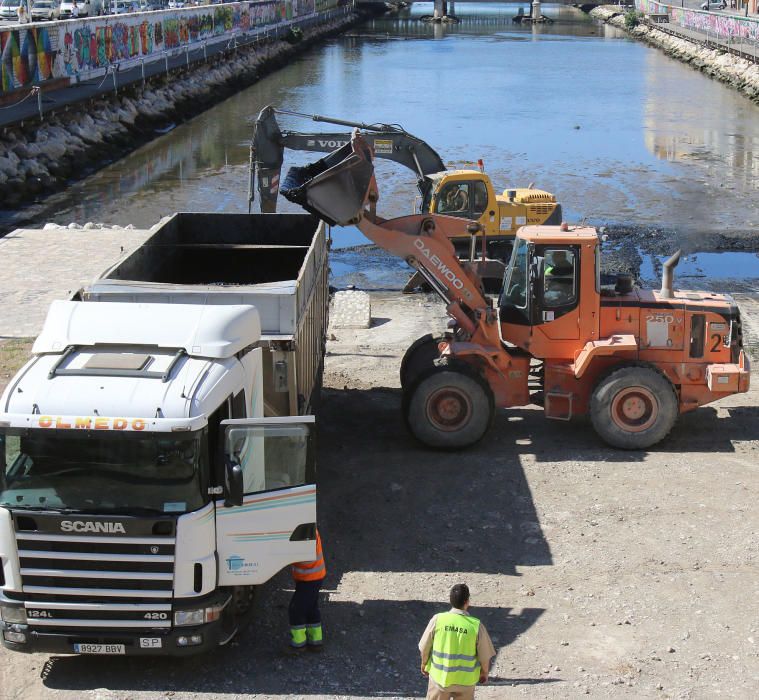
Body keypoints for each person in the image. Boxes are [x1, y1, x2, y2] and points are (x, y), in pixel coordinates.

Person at [419, 583, 496, 700]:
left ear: (451, 600)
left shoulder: (438, 620)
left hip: (440, 679)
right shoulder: (476, 626)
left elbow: (425, 647)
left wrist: (424, 663)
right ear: (467, 602)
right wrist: (484, 672)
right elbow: (485, 656)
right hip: (466, 682)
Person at [288, 528, 326, 651]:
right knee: (311, 608)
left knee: (295, 609)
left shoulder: (305, 531)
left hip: (309, 578)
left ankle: (298, 644)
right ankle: (316, 641)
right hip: (313, 577)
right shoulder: (308, 527)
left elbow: (294, 552)